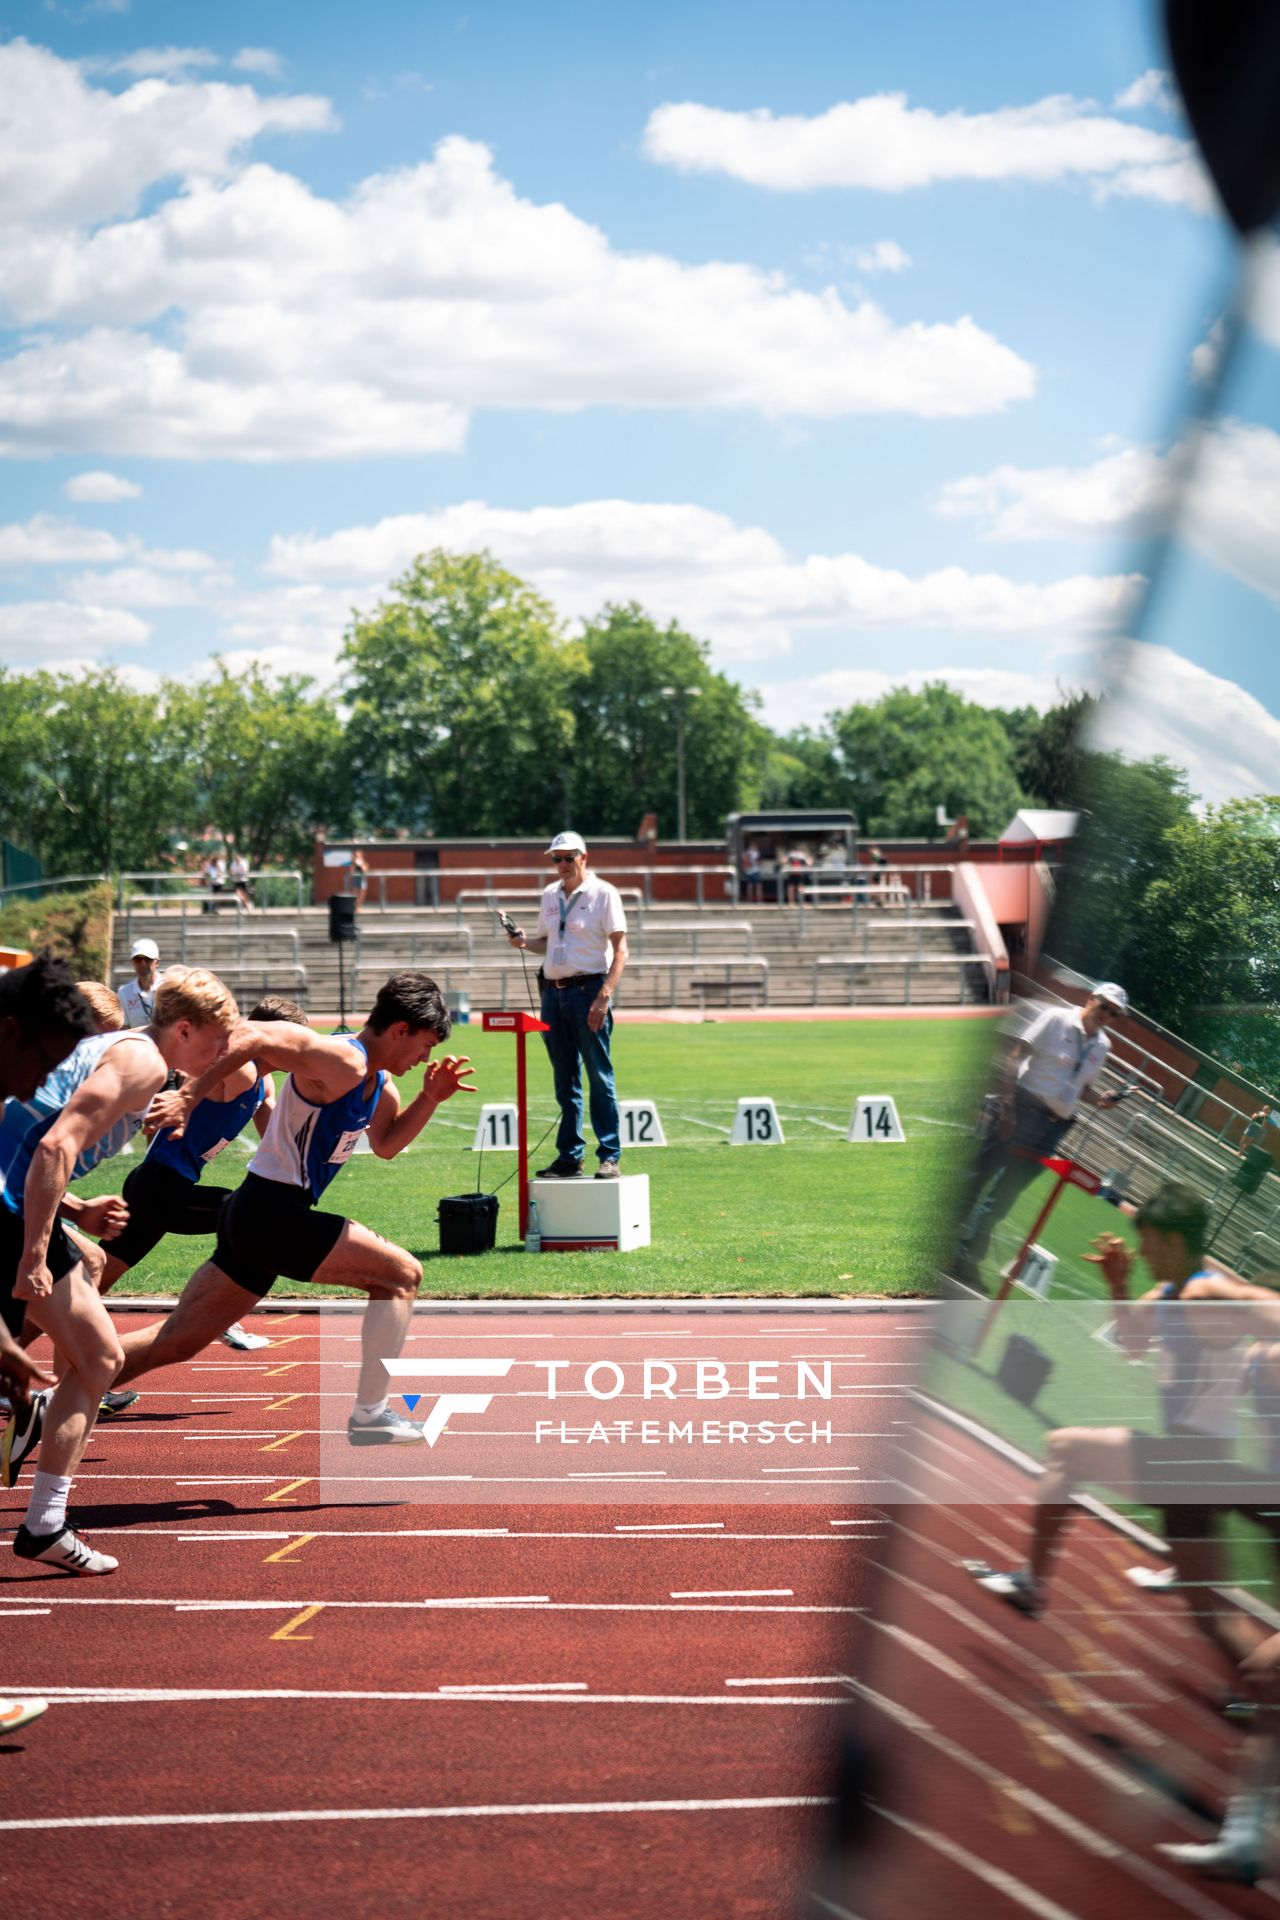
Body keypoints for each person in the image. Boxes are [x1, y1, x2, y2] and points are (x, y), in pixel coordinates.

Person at [107, 973, 476, 1444]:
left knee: (177, 1340)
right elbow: (250, 1033)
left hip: (261, 1219)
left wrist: (429, 1098)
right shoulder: (340, 1057)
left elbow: (385, 1144)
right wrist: (187, 1095)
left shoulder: (381, 1086)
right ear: (400, 1029)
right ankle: (370, 1414)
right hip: (270, 1212)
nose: (424, 1057)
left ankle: (58, 1395)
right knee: (402, 1274)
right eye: (424, 1045)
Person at [971, 1184, 1280, 1683]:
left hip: (1189, 1457)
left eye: (1149, 1243)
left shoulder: (1206, 1291)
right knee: (1211, 1618)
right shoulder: (1167, 1293)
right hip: (1195, 1470)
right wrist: (1118, 1285)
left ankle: (1031, 1585)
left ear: (1174, 1242)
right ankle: (1262, 1699)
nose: (1141, 1254)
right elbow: (1134, 1343)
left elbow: (1259, 1303)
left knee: (1064, 1449)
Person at [0, 966, 239, 1574]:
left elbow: (33, 1135)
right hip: (9, 1209)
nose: (223, 1055)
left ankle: (45, 1523)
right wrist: (33, 1254)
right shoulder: (144, 1064)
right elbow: (54, 1148)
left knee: (98, 1347)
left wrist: (76, 1206)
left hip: (19, 1201)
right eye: (218, 1041)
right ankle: (44, 1523)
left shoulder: (128, 1055)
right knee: (96, 1358)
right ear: (183, 1030)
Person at [90, 995, 315, 1371]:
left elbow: (277, 1138)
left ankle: (31, 1349)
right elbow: (189, 1050)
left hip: (157, 1187)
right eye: (293, 1041)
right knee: (250, 1218)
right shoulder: (238, 1071)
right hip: (164, 1190)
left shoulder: (261, 1083)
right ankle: (219, 1316)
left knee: (91, 1277)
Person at [952, 982, 1129, 1288]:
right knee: (977, 1176)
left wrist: (1102, 1100)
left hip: (1053, 1127)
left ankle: (966, 1257)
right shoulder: (1056, 1018)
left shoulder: (1103, 1047)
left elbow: (1081, 1089)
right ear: (1090, 999)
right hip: (1021, 1109)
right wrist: (1007, 1106)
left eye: (1113, 1013)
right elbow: (1015, 1056)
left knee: (1003, 1197)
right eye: (1104, 1007)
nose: (1106, 1015)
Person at [507, 832, 629, 1180]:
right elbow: (545, 943)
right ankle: (570, 1156)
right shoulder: (549, 894)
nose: (561, 865)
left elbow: (621, 949)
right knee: (565, 1080)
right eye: (555, 859)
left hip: (589, 989)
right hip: (553, 994)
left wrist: (604, 995)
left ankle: (609, 1155)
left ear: (583, 857)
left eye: (567, 857)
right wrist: (522, 942)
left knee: (599, 1076)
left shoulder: (604, 893)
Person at [117, 938, 160, 1028]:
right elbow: (124, 1028)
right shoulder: (124, 993)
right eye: (138, 959)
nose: (143, 964)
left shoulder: (169, 987)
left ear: (157, 962)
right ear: (132, 962)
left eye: (147, 959)